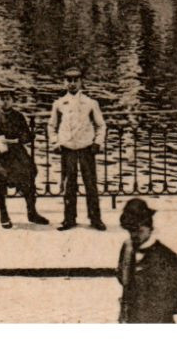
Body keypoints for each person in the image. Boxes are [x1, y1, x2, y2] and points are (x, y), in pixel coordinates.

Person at [115, 198, 177, 323]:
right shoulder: (127, 250)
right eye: (131, 231)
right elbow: (124, 280)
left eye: (139, 231)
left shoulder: (167, 258)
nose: (134, 236)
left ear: (150, 228)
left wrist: (159, 306)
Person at [0, 86, 49, 228]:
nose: (5, 102)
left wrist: (17, 140)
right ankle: (4, 215)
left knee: (28, 177)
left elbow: (28, 135)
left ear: (13, 101)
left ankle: (32, 212)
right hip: (1, 156)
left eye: (8, 99)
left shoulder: (19, 116)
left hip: (17, 154)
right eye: (1, 99)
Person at [48, 66, 106, 230]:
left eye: (76, 80)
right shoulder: (59, 104)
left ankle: (95, 219)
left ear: (81, 82)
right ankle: (69, 219)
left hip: (86, 148)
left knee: (90, 184)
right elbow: (51, 126)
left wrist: (97, 142)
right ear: (64, 83)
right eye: (69, 80)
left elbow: (101, 125)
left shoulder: (90, 103)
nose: (72, 84)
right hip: (67, 149)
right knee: (68, 185)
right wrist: (55, 142)